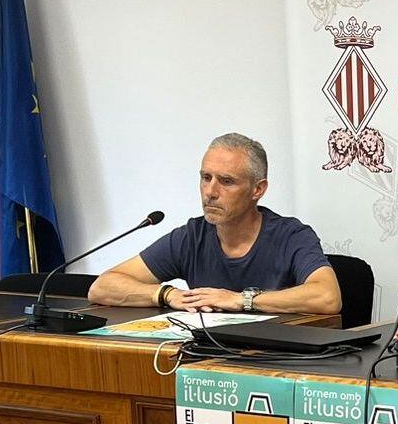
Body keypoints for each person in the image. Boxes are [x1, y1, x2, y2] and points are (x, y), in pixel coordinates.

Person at [88, 132, 342, 315]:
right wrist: (168, 294)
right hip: (207, 363)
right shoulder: (191, 237)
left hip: (277, 363)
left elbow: (327, 297)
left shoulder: (291, 236)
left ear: (258, 189)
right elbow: (102, 287)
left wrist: (240, 300)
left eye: (227, 181)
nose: (210, 191)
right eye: (205, 178)